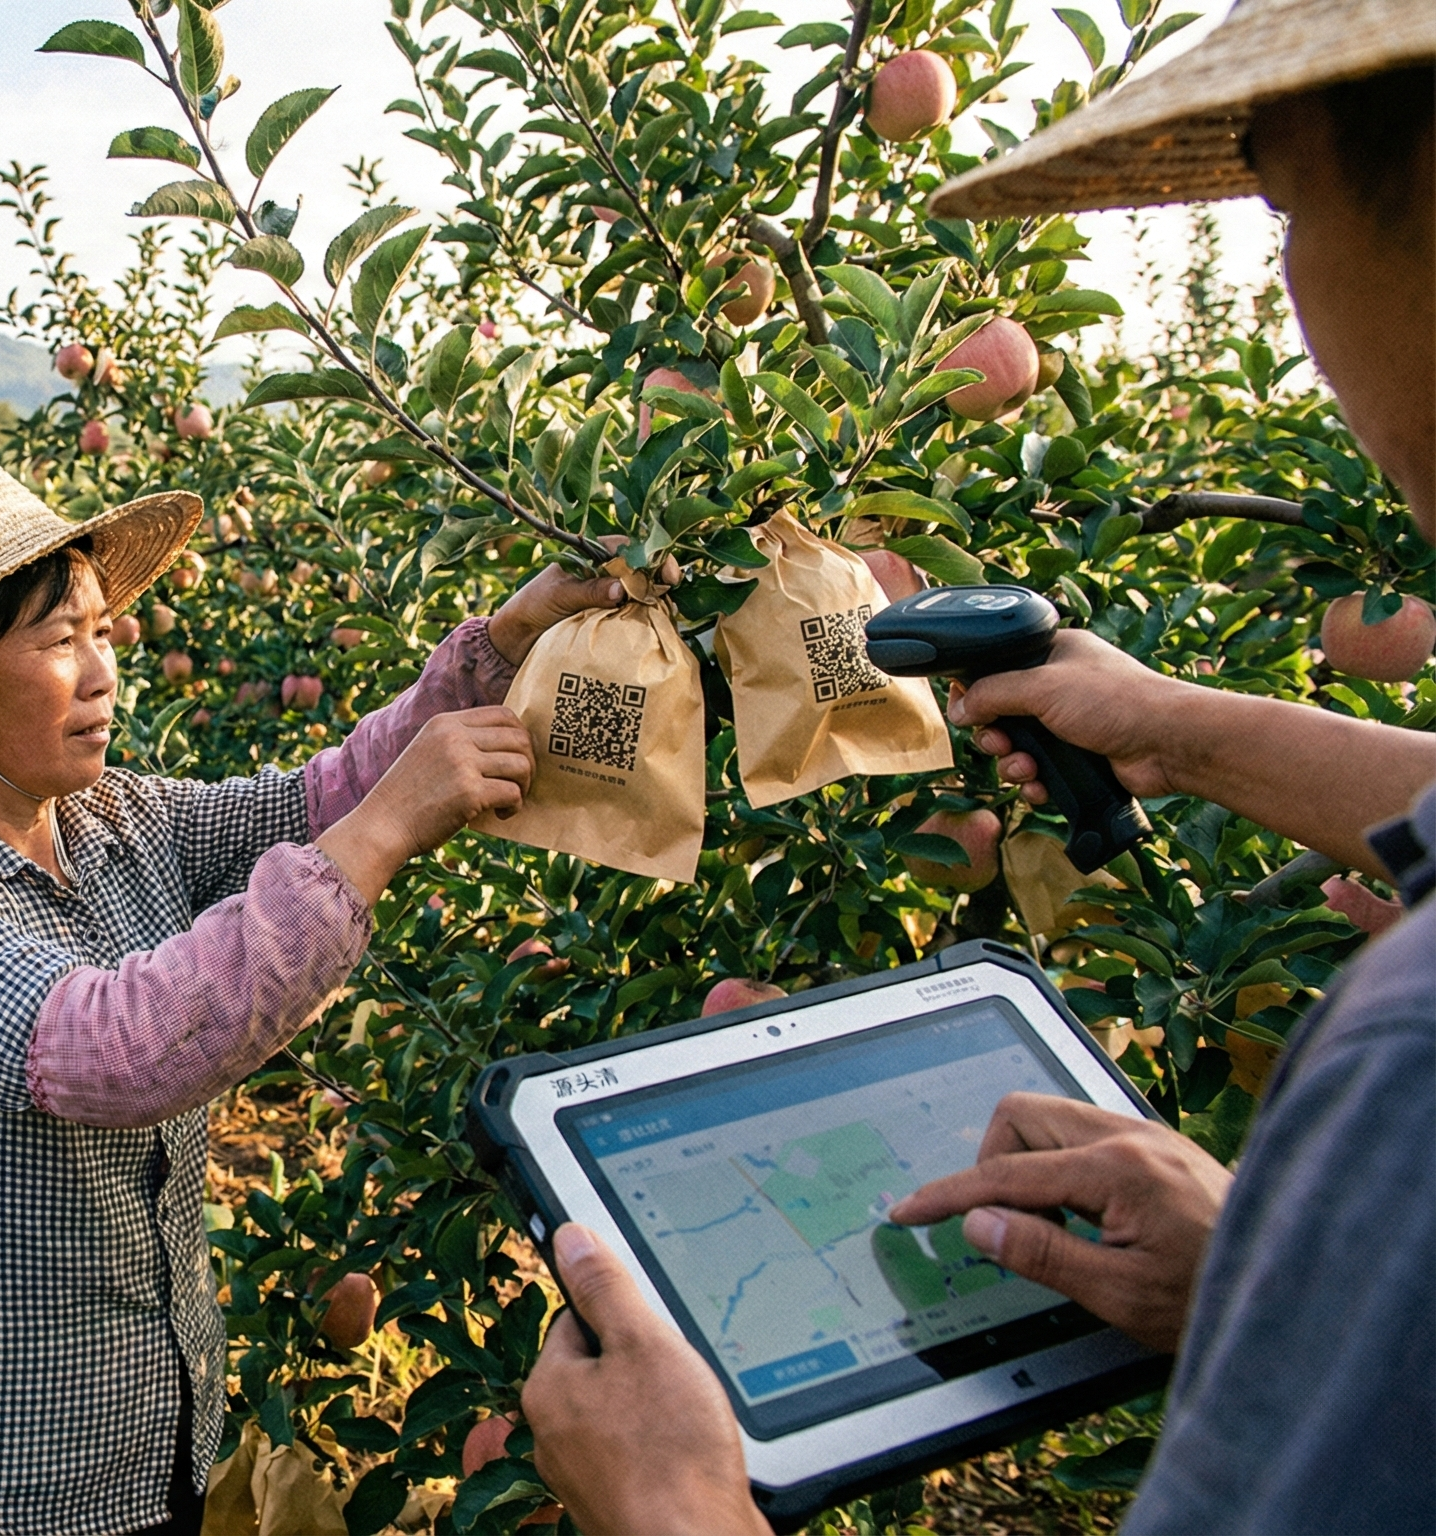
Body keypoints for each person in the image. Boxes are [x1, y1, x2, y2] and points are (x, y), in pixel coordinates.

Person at [517, 7, 1436, 1532]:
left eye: (1283, 202)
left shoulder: (1407, 1064)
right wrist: (1268, 1281)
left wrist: (681, 1511)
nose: (1291, 281)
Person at [0, 456, 625, 1534]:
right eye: (54, 642)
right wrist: (388, 831)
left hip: (146, 1463)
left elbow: (322, 796)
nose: (100, 674)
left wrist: (501, 643)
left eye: (101, 633)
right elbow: (116, 1049)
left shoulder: (120, 821)